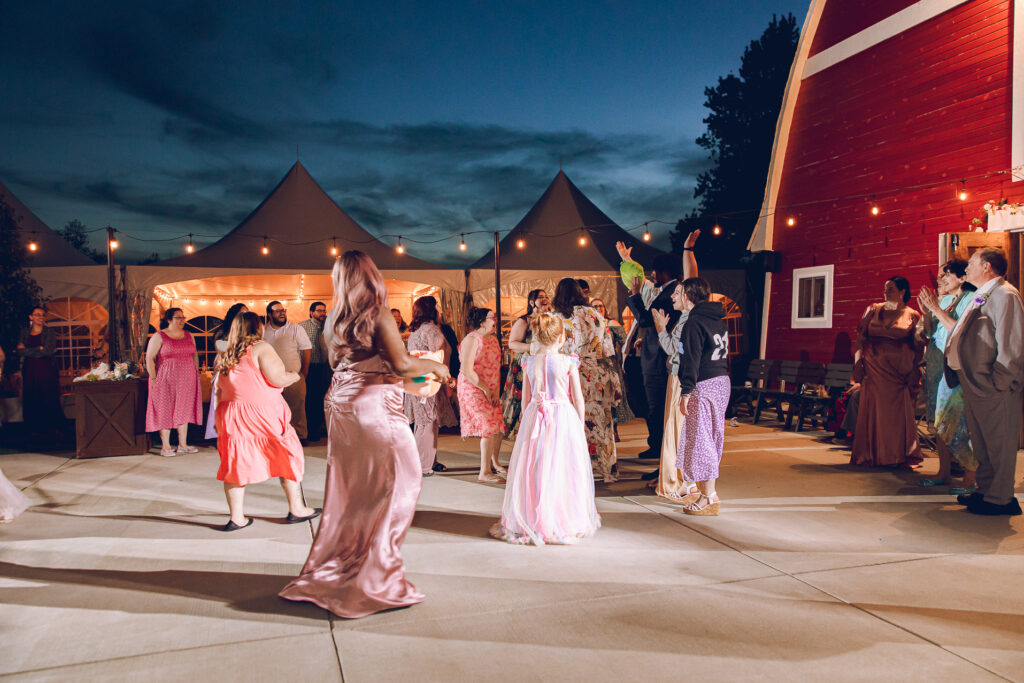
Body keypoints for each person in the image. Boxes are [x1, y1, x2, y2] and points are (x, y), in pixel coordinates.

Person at [280, 250, 449, 618]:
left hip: (342, 407)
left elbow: (366, 367)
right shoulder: (378, 314)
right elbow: (401, 364)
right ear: (373, 276)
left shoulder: (334, 321)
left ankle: (346, 567)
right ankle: (375, 579)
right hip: (373, 410)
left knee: (355, 493)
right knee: (400, 486)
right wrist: (438, 369)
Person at [490, 312, 600, 545]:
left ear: (537, 337)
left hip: (535, 415)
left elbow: (525, 400)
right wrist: (579, 426)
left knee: (536, 466)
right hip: (563, 417)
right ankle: (562, 518)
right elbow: (578, 400)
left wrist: (525, 424)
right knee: (562, 467)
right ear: (562, 337)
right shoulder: (568, 362)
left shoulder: (529, 362)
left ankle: (533, 517)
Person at [214, 312, 320, 531]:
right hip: (262, 414)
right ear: (257, 327)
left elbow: (218, 388)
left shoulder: (225, 352)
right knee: (288, 454)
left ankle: (237, 518)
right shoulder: (261, 348)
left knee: (236, 462)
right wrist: (294, 375)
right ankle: (297, 509)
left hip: (232, 414)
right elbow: (278, 378)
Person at [945, 248, 1024, 515]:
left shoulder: (1005, 294)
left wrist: (1000, 382)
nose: (966, 269)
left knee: (999, 442)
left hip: (994, 385)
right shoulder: (982, 294)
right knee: (983, 443)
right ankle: (986, 491)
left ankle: (1001, 499)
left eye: (971, 263)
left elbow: (1011, 341)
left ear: (987, 266)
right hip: (976, 383)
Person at [849, 276, 924, 468]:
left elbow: (918, 346)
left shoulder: (912, 315)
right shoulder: (873, 310)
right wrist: (858, 364)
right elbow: (860, 340)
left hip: (899, 372)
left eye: (890, 289)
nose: (885, 292)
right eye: (885, 289)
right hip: (873, 368)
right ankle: (871, 454)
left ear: (902, 292)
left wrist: (915, 369)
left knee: (896, 415)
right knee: (874, 410)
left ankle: (897, 455)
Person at [552, 278, 620, 483]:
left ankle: (576, 470)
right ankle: (607, 469)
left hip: (571, 373)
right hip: (599, 372)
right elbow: (608, 348)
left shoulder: (556, 318)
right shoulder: (594, 314)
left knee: (573, 420)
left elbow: (555, 348)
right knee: (602, 421)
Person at [916, 260, 977, 492]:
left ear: (962, 278)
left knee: (959, 421)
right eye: (940, 275)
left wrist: (936, 310)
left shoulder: (971, 299)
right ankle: (944, 472)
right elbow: (931, 333)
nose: (940, 280)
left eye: (946, 275)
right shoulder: (942, 300)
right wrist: (927, 313)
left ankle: (970, 479)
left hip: (955, 368)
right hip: (935, 365)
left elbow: (959, 330)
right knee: (939, 420)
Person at [675, 277, 731, 516]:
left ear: (687, 296)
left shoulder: (694, 323)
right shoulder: (717, 320)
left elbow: (691, 359)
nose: (673, 297)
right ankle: (705, 492)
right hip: (721, 381)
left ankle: (709, 495)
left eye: (678, 293)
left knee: (701, 439)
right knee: (711, 437)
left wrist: (686, 391)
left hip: (703, 384)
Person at [625, 252, 683, 460]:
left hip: (659, 359)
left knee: (656, 406)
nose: (653, 274)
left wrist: (634, 295)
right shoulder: (669, 292)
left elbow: (646, 320)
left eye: (656, 271)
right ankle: (656, 445)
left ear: (663, 272)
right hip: (655, 352)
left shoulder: (670, 295)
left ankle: (660, 451)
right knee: (654, 406)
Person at [406, 296, 456, 475]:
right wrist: (447, 379)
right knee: (427, 422)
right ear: (432, 310)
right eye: (438, 307)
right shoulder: (431, 330)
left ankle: (428, 461)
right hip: (429, 380)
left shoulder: (417, 330)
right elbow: (438, 358)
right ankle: (423, 466)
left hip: (418, 380)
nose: (440, 310)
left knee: (425, 422)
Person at [145, 308, 202, 456]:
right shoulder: (160, 336)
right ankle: (166, 446)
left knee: (184, 408)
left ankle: (182, 444)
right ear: (169, 320)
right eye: (178, 318)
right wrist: (153, 377)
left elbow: (194, 355)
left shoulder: (189, 335)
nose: (182, 320)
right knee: (165, 408)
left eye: (183, 317)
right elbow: (150, 358)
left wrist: (196, 372)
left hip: (187, 378)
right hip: (165, 378)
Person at [458, 307, 506, 482]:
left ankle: (493, 463)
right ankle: (484, 472)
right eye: (491, 317)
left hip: (491, 388)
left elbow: (496, 367)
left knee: (496, 426)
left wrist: (496, 391)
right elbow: (467, 370)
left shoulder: (493, 340)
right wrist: (486, 388)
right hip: (473, 387)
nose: (495, 320)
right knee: (487, 426)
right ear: (481, 321)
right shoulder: (471, 339)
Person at [500, 289, 549, 438]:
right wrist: (533, 348)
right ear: (532, 302)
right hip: (524, 367)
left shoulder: (550, 320)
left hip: (543, 366)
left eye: (546, 297)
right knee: (521, 401)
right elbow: (512, 344)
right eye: (541, 297)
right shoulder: (524, 321)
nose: (545, 299)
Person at [16, 306, 66, 444]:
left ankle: (54, 429)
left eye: (42, 315)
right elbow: (19, 352)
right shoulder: (25, 332)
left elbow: (48, 351)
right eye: (37, 315)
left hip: (46, 369)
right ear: (31, 317)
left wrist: (28, 350)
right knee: (32, 396)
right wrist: (38, 349)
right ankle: (34, 429)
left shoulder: (49, 332)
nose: (40, 317)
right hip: (30, 370)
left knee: (48, 396)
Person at [263, 301, 312, 443]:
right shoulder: (263, 330)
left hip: (293, 375)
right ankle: (277, 436)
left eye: (283, 310)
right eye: (278, 311)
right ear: (270, 314)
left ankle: (300, 436)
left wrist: (304, 371)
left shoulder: (295, 328)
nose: (282, 313)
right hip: (270, 378)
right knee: (273, 408)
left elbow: (306, 348)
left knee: (297, 407)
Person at [204, 303, 248, 440]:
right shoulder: (222, 332)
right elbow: (221, 349)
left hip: (243, 373)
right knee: (224, 404)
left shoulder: (247, 332)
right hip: (225, 371)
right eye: (242, 313)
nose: (245, 316)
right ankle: (221, 433)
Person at [592, 297, 635, 428]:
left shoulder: (612, 323)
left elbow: (625, 342)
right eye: (595, 306)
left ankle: (614, 428)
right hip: (595, 364)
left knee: (613, 395)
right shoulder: (590, 324)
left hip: (611, 364)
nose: (598, 308)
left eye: (600, 306)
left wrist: (624, 360)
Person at [299, 301, 331, 442]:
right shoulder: (302, 326)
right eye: (319, 311)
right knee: (310, 399)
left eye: (324, 311)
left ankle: (321, 429)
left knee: (323, 398)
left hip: (325, 367)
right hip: (309, 366)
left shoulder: (329, 326)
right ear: (311, 312)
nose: (322, 313)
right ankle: (310, 431)